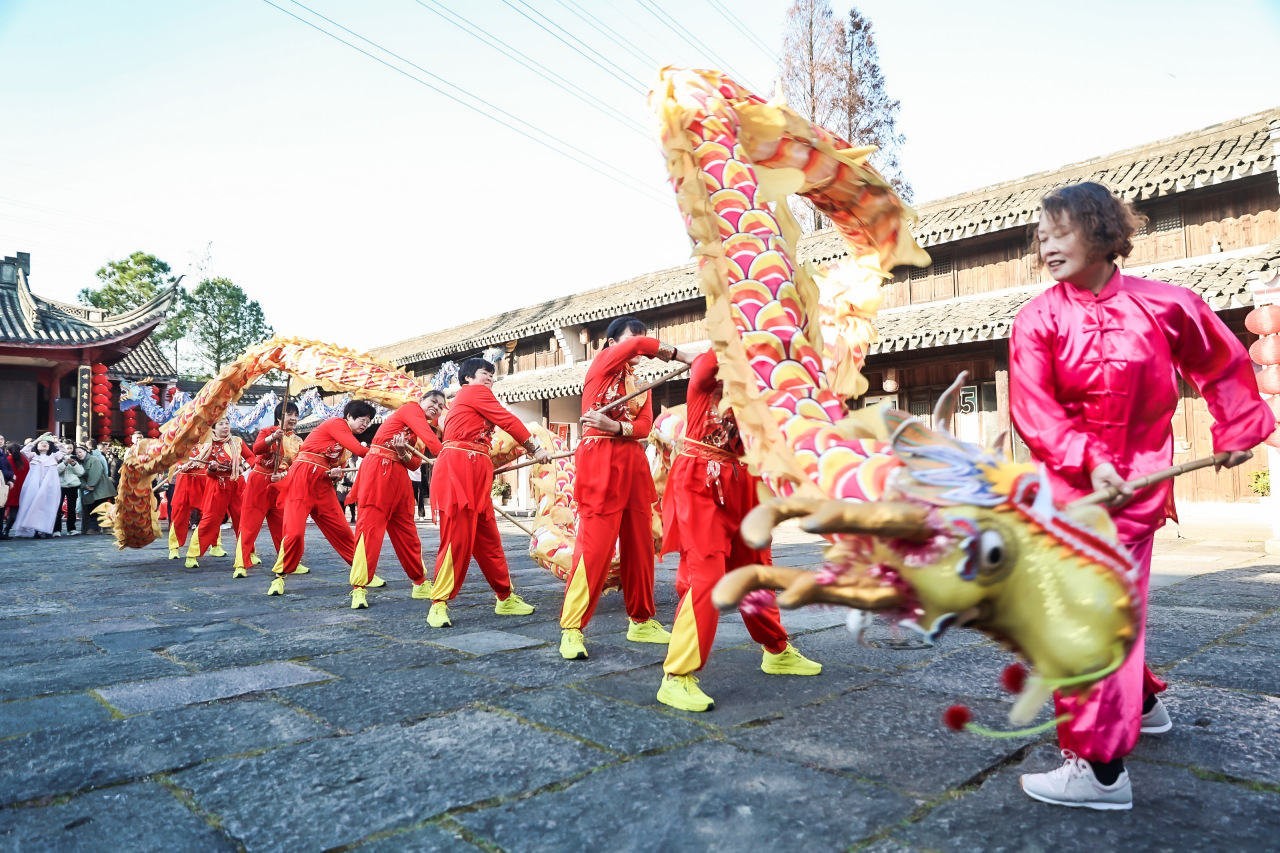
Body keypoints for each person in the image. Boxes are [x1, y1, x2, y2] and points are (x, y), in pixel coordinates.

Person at [1011, 182, 1273, 811]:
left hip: (1137, 490)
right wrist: (1087, 461)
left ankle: (1097, 769)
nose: (1047, 246)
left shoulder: (1168, 305)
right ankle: (1143, 704)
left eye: (1061, 231)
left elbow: (1222, 362)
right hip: (1071, 493)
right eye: (1041, 236)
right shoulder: (1037, 318)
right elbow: (1033, 410)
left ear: (1101, 231)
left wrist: (1238, 426)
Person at [656, 350, 823, 710]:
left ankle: (776, 650)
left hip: (743, 479)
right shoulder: (708, 367)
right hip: (701, 478)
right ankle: (677, 676)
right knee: (707, 575)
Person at [555, 317, 692, 660]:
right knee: (596, 545)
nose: (641, 344)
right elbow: (633, 348)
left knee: (640, 543)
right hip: (600, 458)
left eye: (645, 337)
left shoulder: (640, 383)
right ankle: (571, 627)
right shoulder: (603, 363)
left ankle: (641, 619)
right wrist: (680, 355)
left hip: (632, 462)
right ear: (612, 341)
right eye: (635, 337)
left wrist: (616, 425)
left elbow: (645, 426)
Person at [425, 357, 548, 628]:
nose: (490, 378)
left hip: (475, 468)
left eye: (493, 374)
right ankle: (439, 602)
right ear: (468, 378)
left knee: (489, 538)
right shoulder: (474, 392)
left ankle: (505, 597)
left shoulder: (467, 399)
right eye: (485, 373)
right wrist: (534, 447)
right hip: (460, 468)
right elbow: (507, 420)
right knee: (456, 539)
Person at [346, 391, 447, 608]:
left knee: (407, 532)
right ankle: (359, 588)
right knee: (369, 531)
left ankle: (419, 582)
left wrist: (402, 452)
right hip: (378, 471)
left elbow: (414, 464)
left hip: (399, 478)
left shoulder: (418, 431)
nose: (436, 407)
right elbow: (432, 442)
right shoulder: (410, 409)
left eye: (440, 406)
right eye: (433, 401)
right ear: (421, 401)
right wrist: (450, 456)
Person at [267, 400, 374, 595]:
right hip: (302, 478)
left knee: (342, 530)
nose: (365, 425)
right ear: (349, 416)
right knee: (294, 533)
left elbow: (339, 470)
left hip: (323, 485)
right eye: (362, 419)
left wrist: (336, 474)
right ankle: (279, 577)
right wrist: (384, 453)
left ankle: (364, 572)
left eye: (368, 422)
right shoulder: (336, 424)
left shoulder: (346, 443)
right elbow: (360, 450)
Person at [234, 402, 302, 578]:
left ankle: (288, 561)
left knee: (283, 525)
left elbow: (296, 466)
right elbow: (256, 450)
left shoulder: (297, 441)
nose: (293, 418)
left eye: (295, 415)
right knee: (249, 524)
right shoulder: (267, 432)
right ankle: (241, 563)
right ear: (279, 417)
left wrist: (284, 474)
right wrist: (272, 438)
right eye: (289, 414)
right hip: (259, 482)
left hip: (279, 484)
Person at [186, 417, 255, 568]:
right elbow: (207, 473)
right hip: (218, 485)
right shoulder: (208, 445)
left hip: (237, 485)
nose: (225, 427)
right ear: (214, 428)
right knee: (209, 520)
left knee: (242, 520)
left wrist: (242, 468)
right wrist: (211, 468)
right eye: (221, 424)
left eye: (227, 423)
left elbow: (251, 457)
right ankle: (192, 554)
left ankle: (248, 552)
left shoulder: (237, 441)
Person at [12, 436, 63, 538]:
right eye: (41, 443)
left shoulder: (54, 456)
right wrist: (36, 441)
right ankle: (34, 529)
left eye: (46, 443)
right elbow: (24, 450)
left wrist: (57, 442)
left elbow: (64, 451)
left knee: (48, 507)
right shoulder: (33, 456)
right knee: (32, 505)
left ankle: (46, 530)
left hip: (50, 486)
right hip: (34, 484)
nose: (44, 444)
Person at [77, 445, 115, 535]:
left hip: (100, 488)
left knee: (103, 508)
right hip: (88, 489)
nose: (78, 454)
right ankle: (94, 528)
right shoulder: (78, 463)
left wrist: (91, 485)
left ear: (86, 451)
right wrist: (85, 486)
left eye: (80, 452)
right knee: (92, 509)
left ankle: (107, 527)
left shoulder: (93, 459)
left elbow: (96, 473)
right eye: (76, 453)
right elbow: (79, 476)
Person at [55, 441, 85, 536]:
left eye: (70, 448)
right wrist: (64, 463)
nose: (68, 450)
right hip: (60, 485)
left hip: (72, 485)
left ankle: (71, 528)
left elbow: (81, 473)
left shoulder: (76, 458)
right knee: (57, 508)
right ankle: (56, 530)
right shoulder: (57, 457)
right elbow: (54, 471)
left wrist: (74, 464)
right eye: (67, 448)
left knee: (72, 508)